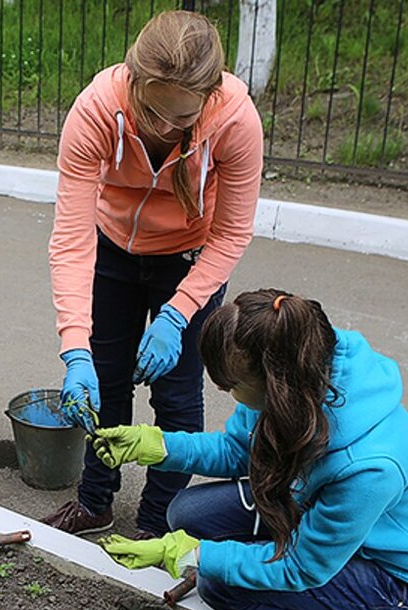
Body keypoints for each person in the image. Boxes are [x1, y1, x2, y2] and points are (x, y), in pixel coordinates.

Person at [92, 289, 408, 610]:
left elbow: (303, 566)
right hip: (338, 523)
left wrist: (196, 556)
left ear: (276, 382)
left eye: (232, 383)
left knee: (222, 589)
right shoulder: (299, 360)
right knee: (188, 514)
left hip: (398, 574)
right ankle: (305, 577)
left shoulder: (369, 468)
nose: (226, 392)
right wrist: (155, 446)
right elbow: (238, 450)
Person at [42, 10, 263, 537]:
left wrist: (177, 314)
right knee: (105, 383)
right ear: (134, 79)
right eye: (153, 112)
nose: (165, 128)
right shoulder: (97, 109)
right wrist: (75, 349)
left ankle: (156, 521)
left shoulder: (236, 120)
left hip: (189, 261)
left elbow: (231, 233)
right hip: (112, 247)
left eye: (181, 120)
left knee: (178, 397)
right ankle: (95, 502)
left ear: (209, 97)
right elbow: (72, 241)